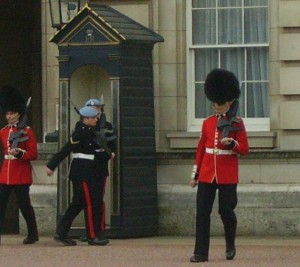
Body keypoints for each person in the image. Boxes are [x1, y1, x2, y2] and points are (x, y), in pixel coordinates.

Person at [189, 69, 249, 263]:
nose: (217, 106)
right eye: (215, 103)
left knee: (226, 211)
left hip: (227, 174)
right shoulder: (207, 123)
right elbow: (200, 149)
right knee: (202, 212)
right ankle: (200, 252)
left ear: (229, 102)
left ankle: (230, 244)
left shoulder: (237, 123)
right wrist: (195, 173)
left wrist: (233, 144)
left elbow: (245, 149)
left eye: (221, 103)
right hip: (207, 173)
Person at [46, 106, 109, 246]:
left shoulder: (92, 131)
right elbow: (66, 149)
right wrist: (52, 165)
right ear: (86, 119)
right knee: (90, 203)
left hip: (91, 172)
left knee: (78, 204)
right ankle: (93, 236)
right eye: (94, 117)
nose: (96, 119)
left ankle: (61, 232)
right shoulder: (79, 133)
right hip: (83, 173)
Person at [0, 85, 39, 245]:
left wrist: (21, 153)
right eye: (7, 113)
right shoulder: (3, 132)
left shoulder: (27, 131)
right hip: (6, 173)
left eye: (12, 113)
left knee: (25, 206)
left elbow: (33, 154)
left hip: (21, 173)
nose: (9, 116)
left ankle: (33, 234)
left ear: (19, 114)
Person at [79, 98, 116, 242]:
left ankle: (99, 229)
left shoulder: (106, 125)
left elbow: (112, 144)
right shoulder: (81, 125)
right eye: (93, 109)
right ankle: (90, 230)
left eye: (98, 109)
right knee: (87, 201)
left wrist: (110, 152)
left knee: (98, 200)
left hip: (100, 166)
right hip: (87, 166)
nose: (96, 111)